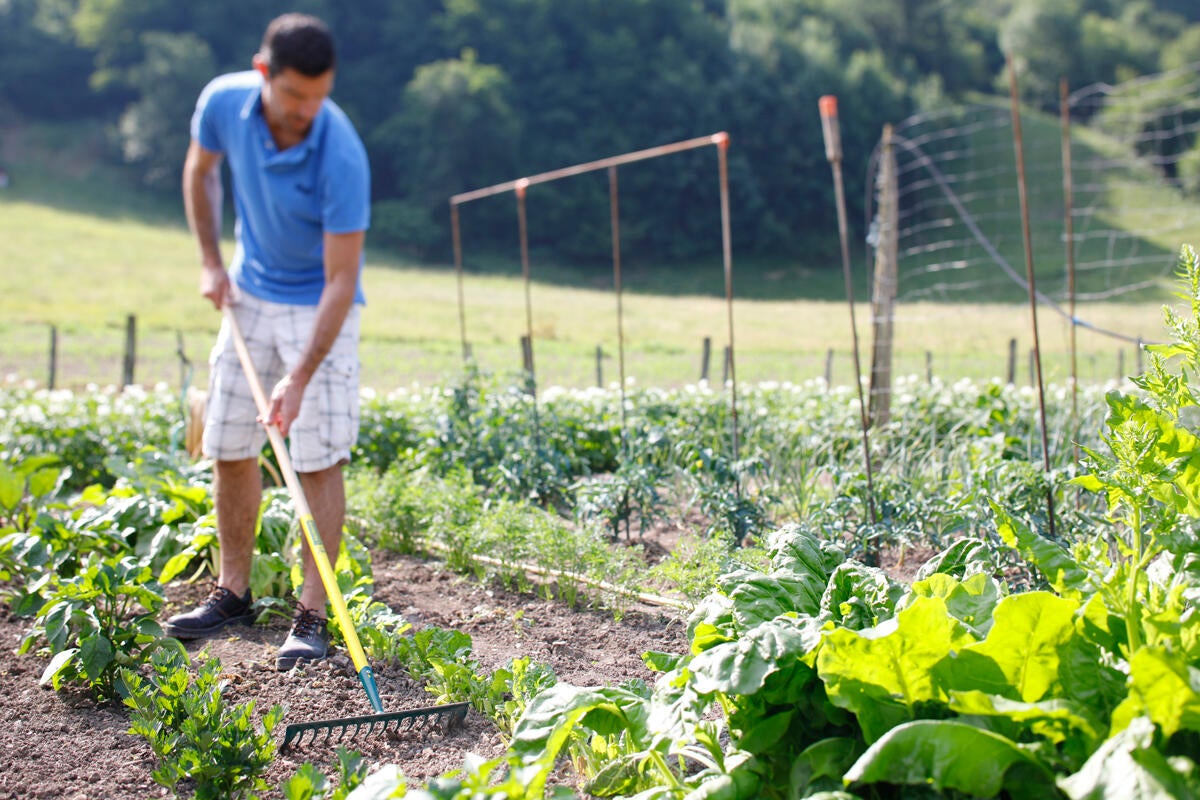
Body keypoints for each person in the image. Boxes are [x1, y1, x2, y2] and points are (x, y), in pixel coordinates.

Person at [162, 13, 370, 672]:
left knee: (315, 459)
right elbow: (201, 171)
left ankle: (312, 616)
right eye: (295, 97)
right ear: (264, 75)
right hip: (249, 288)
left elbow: (342, 280)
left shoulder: (341, 151)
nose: (308, 110)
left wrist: (301, 375)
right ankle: (233, 593)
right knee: (227, 442)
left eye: (320, 96)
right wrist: (210, 261)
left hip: (320, 304)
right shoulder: (224, 103)